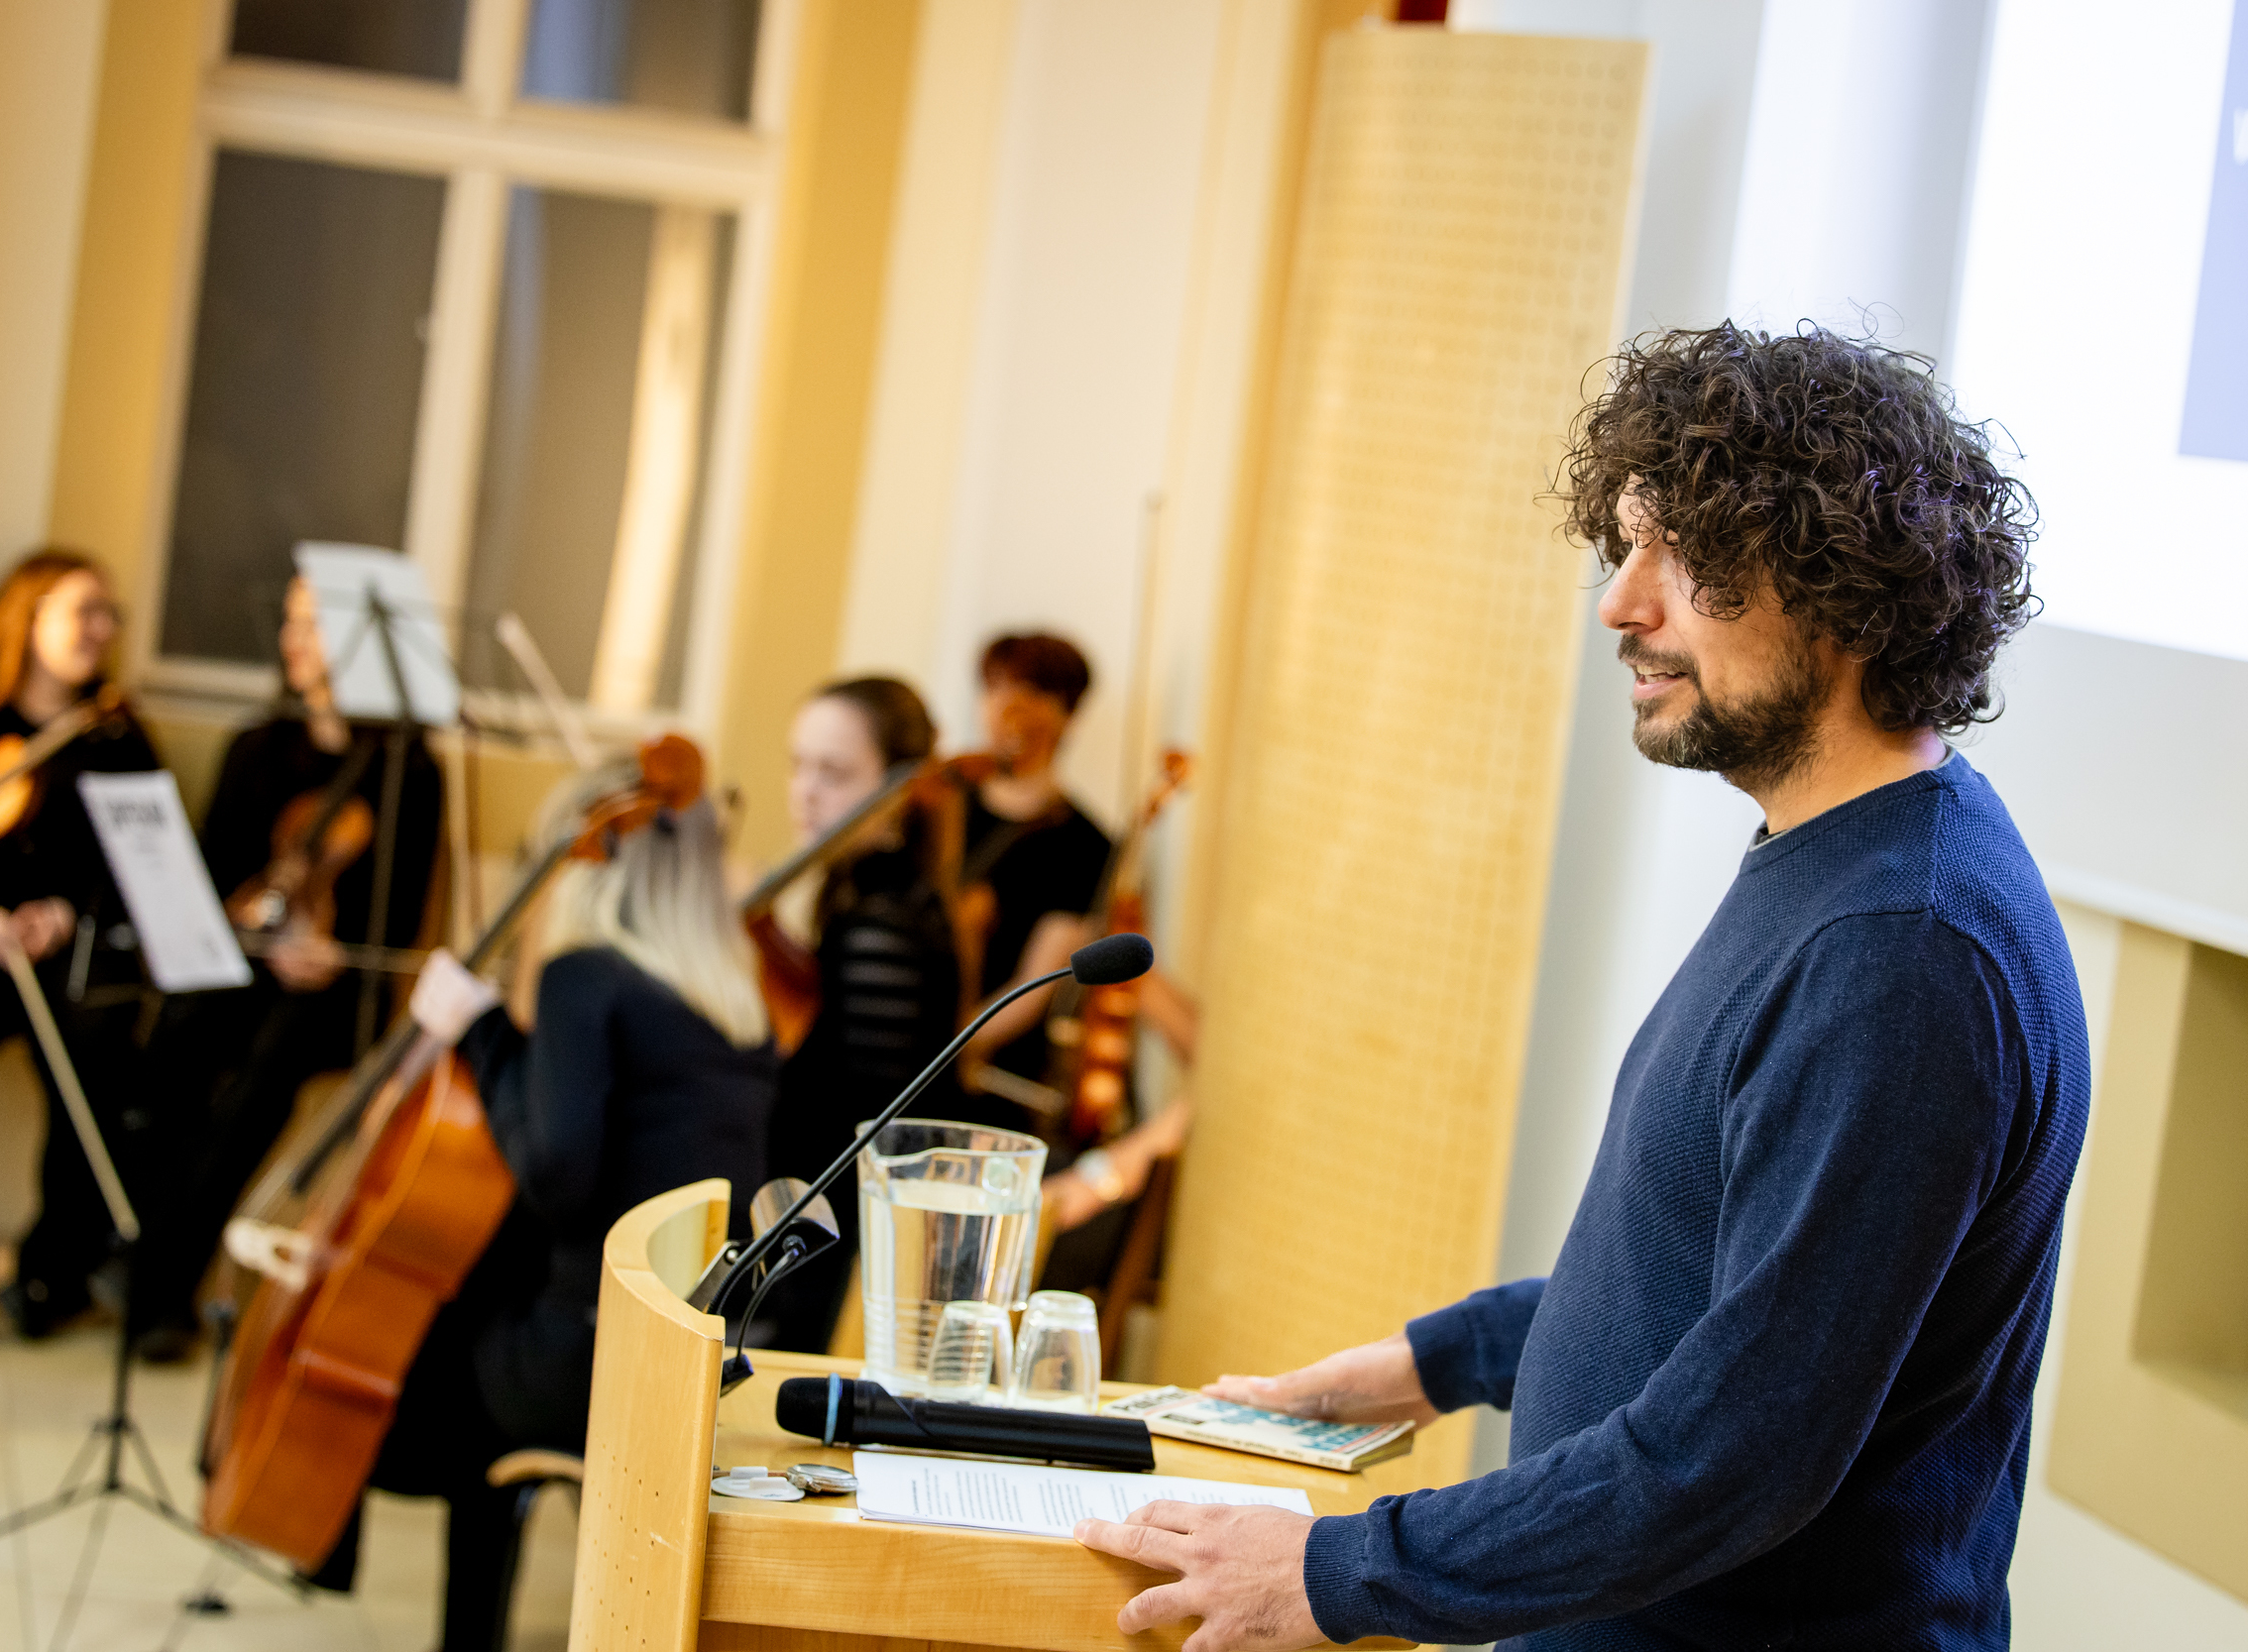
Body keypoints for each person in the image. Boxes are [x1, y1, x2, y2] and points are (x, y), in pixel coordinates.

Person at [1071, 324, 2086, 1652]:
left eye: (1684, 554)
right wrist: (1434, 1361)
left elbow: (1734, 1454)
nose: (1620, 602)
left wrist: (1336, 1571)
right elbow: (1719, 1283)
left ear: (1843, 581)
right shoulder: (1843, 866)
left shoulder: (1900, 950)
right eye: (1625, 545)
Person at [311, 762, 776, 1652]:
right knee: (486, 1320)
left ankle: (438, 1617)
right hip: (703, 1367)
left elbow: (557, 1174)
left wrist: (480, 1028)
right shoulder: (737, 1004)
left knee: (429, 1357)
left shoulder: (584, 977)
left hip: (594, 1369)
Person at [126, 574, 444, 1358]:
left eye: (314, 624)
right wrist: (255, 929)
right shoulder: (257, 748)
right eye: (291, 623)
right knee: (179, 1040)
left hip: (339, 989)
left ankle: (159, 1287)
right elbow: (212, 879)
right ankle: (136, 1252)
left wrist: (329, 949)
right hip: (248, 961)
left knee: (263, 1073)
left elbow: (397, 918)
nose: (292, 641)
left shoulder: (411, 769)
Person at [0, 549, 165, 1338]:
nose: (102, 629)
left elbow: (138, 860)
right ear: (27, 618)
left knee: (100, 1050)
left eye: (109, 614)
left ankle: (51, 1271)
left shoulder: (116, 734)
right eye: (84, 611)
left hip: (67, 942)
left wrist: (63, 911)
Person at [759, 676, 966, 1350]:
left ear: (899, 788)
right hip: (829, 1249)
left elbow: (872, 1129)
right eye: (798, 764)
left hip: (839, 1270)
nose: (805, 791)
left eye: (835, 772)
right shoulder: (879, 896)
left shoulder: (882, 922)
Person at [953, 633, 1113, 1120]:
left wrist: (946, 1047)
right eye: (995, 688)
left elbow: (1034, 985)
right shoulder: (941, 804)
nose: (1008, 707)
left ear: (1068, 715)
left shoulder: (1085, 844)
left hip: (986, 1078)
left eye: (1033, 692)